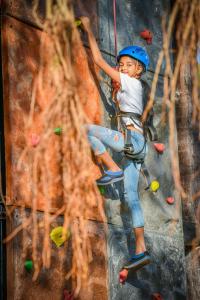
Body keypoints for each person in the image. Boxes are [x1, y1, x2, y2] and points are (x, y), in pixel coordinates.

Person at [80, 17, 151, 270]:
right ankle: (141, 249)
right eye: (120, 64)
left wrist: (88, 28)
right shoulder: (130, 86)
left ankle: (111, 168)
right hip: (137, 145)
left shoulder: (130, 81)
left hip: (132, 140)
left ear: (138, 70)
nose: (121, 68)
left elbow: (99, 61)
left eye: (127, 65)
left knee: (86, 129)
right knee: (131, 198)